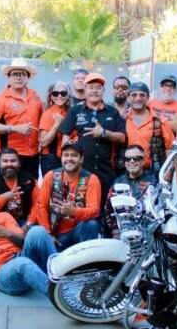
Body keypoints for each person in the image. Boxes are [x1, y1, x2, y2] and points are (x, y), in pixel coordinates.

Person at [60, 72, 125, 227]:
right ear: (85, 90)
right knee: (83, 210)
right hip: (82, 172)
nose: (94, 91)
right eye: (91, 87)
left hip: (106, 171)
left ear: (103, 90)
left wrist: (104, 133)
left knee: (106, 211)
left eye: (98, 87)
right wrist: (67, 161)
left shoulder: (112, 112)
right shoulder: (75, 111)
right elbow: (65, 137)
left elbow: (122, 138)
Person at [0, 58, 43, 178]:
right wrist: (14, 128)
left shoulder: (36, 96)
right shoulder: (0, 98)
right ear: (9, 77)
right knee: (9, 187)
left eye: (22, 74)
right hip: (9, 156)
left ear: (27, 77)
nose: (19, 77)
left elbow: (41, 122)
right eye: (15, 74)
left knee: (31, 185)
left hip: (33, 154)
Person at [37, 143, 101, 251]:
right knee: (38, 233)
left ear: (81, 159)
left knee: (92, 224)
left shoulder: (91, 179)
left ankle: (86, 258)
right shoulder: (51, 176)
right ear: (61, 158)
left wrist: (73, 211)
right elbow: (41, 206)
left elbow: (94, 211)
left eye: (74, 155)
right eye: (66, 155)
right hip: (56, 235)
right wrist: (48, 234)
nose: (69, 159)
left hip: (78, 232)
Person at [125, 81, 175, 179]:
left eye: (142, 95)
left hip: (153, 172)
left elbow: (170, 148)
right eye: (134, 95)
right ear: (128, 98)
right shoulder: (122, 119)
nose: (138, 98)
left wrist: (169, 170)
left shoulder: (159, 120)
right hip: (127, 171)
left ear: (148, 98)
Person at [103, 145, 156, 237]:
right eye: (128, 159)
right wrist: (115, 231)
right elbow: (108, 208)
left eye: (136, 158)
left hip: (148, 231)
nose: (131, 161)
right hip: (123, 230)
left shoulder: (153, 182)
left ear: (143, 161)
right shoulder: (117, 182)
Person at [0, 148, 40, 229]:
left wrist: (28, 225)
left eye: (13, 161)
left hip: (25, 221)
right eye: (5, 161)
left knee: (37, 231)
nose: (9, 164)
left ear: (19, 163)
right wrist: (3, 198)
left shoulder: (30, 180)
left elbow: (37, 206)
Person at [39, 81, 71, 175]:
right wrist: (56, 125)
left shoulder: (71, 112)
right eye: (56, 93)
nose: (59, 96)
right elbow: (43, 142)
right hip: (51, 159)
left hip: (69, 157)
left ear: (68, 96)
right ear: (51, 96)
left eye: (63, 93)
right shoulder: (48, 114)